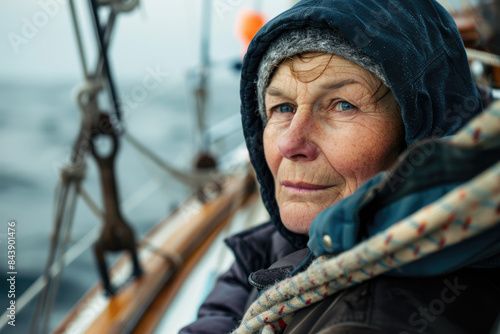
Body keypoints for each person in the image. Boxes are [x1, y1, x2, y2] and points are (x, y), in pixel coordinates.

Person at [181, 0, 500, 333]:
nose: (290, 145)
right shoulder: (312, 232)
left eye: (343, 105)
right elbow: (265, 253)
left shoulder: (366, 322)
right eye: (283, 107)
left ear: (418, 135)